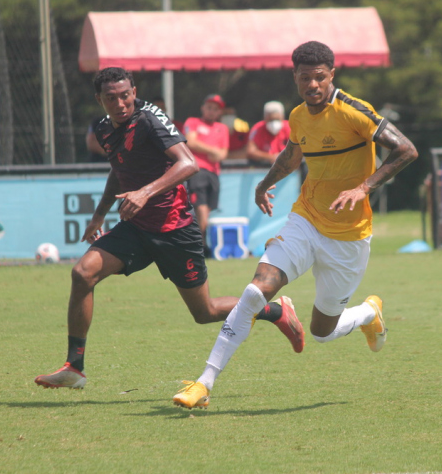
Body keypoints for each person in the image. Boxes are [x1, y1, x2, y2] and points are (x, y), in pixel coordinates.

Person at [172, 41, 418, 409]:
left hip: (348, 238)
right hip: (306, 219)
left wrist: (363, 187)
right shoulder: (299, 115)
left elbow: (406, 150)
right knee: (257, 290)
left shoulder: (354, 111)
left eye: (319, 77)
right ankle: (204, 382)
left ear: (331, 75)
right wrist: (265, 183)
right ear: (296, 78)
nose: (313, 85)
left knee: (322, 332)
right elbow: (292, 153)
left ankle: (369, 312)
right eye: (305, 78)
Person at [34, 68, 304, 390]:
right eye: (111, 98)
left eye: (125, 95)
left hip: (175, 229)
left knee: (205, 312)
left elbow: (190, 163)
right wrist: (98, 216)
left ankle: (275, 311)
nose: (120, 103)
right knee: (82, 273)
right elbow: (119, 171)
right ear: (100, 100)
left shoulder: (150, 120)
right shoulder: (106, 129)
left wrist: (145, 192)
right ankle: (74, 367)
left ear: (133, 91)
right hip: (135, 227)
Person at [183, 94, 229, 256]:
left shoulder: (222, 128)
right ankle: (200, 243)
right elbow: (191, 141)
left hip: (213, 173)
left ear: (219, 112)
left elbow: (223, 154)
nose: (211, 111)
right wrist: (212, 150)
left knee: (207, 209)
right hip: (197, 170)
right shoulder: (193, 122)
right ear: (203, 108)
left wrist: (214, 152)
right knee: (200, 206)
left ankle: (201, 241)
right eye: (209, 107)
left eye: (215, 109)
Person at [246, 101, 291, 167]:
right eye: (271, 119)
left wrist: (282, 157)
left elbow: (299, 150)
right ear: (265, 118)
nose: (274, 123)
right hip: (263, 170)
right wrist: (271, 157)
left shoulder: (289, 127)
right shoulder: (258, 128)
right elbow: (250, 152)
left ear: (282, 117)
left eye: (277, 119)